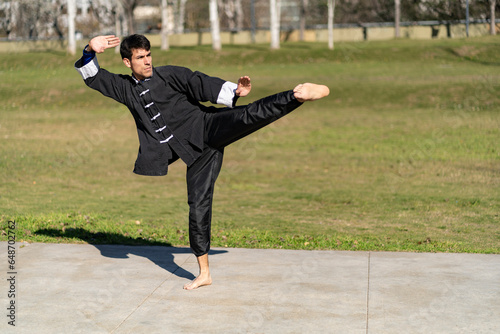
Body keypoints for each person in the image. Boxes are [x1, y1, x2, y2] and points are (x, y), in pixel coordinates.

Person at [75, 34, 329, 290]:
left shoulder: (169, 74)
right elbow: (94, 77)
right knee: (197, 207)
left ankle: (297, 95)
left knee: (248, 115)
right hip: (196, 156)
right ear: (128, 62)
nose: (147, 61)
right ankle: (204, 273)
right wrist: (89, 49)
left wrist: (235, 91)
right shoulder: (125, 88)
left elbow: (199, 82)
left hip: (209, 127)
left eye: (149, 55)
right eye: (140, 57)